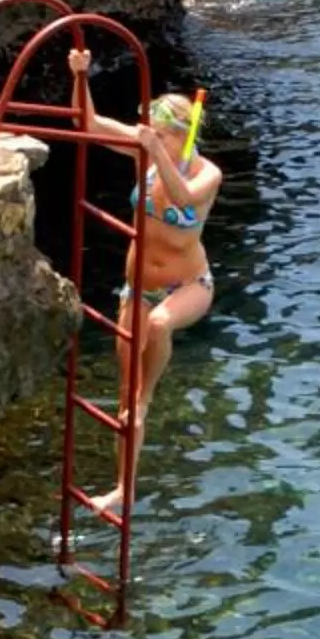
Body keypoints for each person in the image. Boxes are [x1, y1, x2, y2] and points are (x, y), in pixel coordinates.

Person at [69, 55, 221, 516]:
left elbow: (183, 199)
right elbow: (89, 122)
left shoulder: (207, 174)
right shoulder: (148, 154)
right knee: (126, 408)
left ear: (180, 134)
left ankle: (150, 391)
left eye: (162, 132)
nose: (154, 136)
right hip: (136, 288)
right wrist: (80, 75)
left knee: (158, 326)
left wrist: (155, 152)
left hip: (189, 285)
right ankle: (123, 489)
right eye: (152, 131)